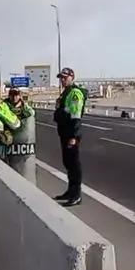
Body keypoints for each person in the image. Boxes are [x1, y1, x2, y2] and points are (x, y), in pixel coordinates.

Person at [53, 67, 86, 207]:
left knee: (74, 165)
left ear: (72, 77)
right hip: (64, 133)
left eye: (65, 77)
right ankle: (70, 191)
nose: (62, 80)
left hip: (71, 134)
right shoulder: (65, 93)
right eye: (61, 77)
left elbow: (76, 116)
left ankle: (76, 194)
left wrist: (73, 136)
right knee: (67, 163)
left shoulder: (74, 93)